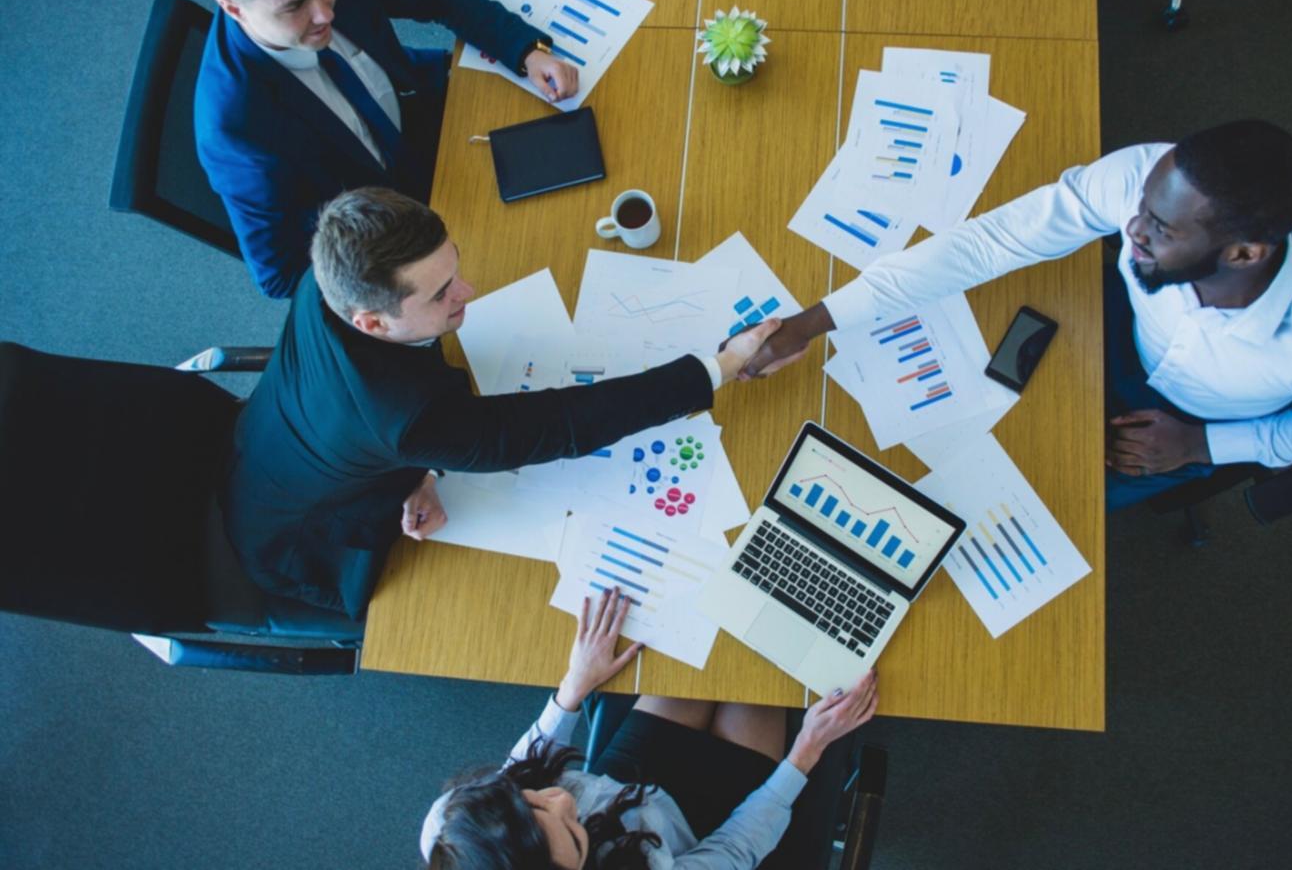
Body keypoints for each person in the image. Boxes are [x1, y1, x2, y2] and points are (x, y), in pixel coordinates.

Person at [741, 121, 1292, 510]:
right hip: (1116, 330)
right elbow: (991, 241)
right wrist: (811, 323)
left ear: (1245, 251)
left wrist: (1208, 448)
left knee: (1028, 510)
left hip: (1197, 421)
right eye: (1142, 208)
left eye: (1158, 228)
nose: (1130, 229)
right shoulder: (1149, 180)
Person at [221, 188, 781, 618]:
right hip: (300, 536)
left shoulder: (327, 277)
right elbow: (567, 424)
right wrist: (721, 367)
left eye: (454, 268)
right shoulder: (412, 418)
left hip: (269, 432)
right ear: (370, 321)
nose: (467, 291)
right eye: (441, 294)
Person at [191, 0, 578, 298]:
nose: (325, 14)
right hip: (404, 219)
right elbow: (283, 276)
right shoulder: (235, 127)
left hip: (426, 108)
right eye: (295, 7)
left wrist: (525, 51)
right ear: (232, 8)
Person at [419, 586, 879, 869]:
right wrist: (806, 751)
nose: (562, 799)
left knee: (707, 641)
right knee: (761, 665)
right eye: (574, 836)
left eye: (535, 801)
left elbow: (521, 766)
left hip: (623, 786)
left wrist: (572, 687)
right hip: (692, 834)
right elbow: (736, 849)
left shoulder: (457, 826)